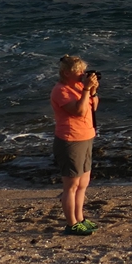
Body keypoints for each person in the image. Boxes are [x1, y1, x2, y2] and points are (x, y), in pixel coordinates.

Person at [51, 55, 100, 235]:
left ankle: (80, 218)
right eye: (78, 71)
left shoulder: (79, 87)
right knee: (71, 185)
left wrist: (92, 91)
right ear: (65, 73)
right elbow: (78, 111)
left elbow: (92, 107)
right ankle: (71, 223)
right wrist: (87, 89)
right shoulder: (61, 90)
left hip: (86, 137)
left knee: (83, 183)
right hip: (70, 139)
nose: (82, 74)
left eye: (83, 70)